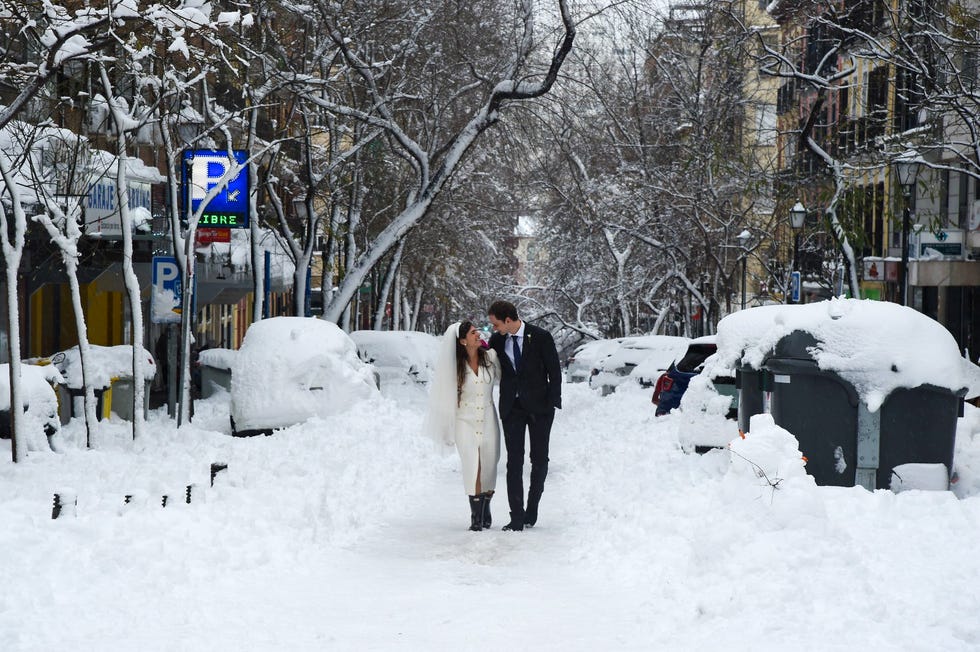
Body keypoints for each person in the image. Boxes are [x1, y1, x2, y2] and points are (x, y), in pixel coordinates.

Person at [487, 300, 562, 531]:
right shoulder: (497, 341)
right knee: (514, 462)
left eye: (496, 323)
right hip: (512, 408)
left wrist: (551, 404)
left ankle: (532, 510)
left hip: (540, 408)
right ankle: (517, 516)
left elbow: (554, 372)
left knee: (539, 460)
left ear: (508, 320)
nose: (493, 328)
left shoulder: (540, 336)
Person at [424, 321, 502, 531]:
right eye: (473, 332)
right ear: (462, 340)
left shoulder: (491, 358)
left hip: (488, 418)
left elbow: (504, 379)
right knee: (472, 465)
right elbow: (445, 399)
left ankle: (486, 508)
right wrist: (446, 428)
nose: (478, 334)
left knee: (489, 464)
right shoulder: (455, 367)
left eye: (477, 331)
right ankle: (476, 518)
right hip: (464, 421)